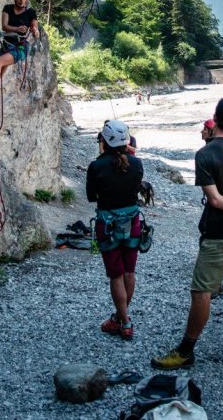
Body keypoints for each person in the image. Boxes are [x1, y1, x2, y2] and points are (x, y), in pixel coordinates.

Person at [151, 98, 223, 369]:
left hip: (220, 235)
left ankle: (186, 351)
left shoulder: (205, 154)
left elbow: (215, 200)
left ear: (215, 119)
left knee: (201, 292)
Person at [87, 120, 145, 340]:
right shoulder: (136, 163)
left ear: (104, 141)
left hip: (108, 223)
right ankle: (120, 318)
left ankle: (124, 321)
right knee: (129, 272)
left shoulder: (96, 166)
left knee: (116, 275)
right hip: (133, 221)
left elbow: (92, 196)